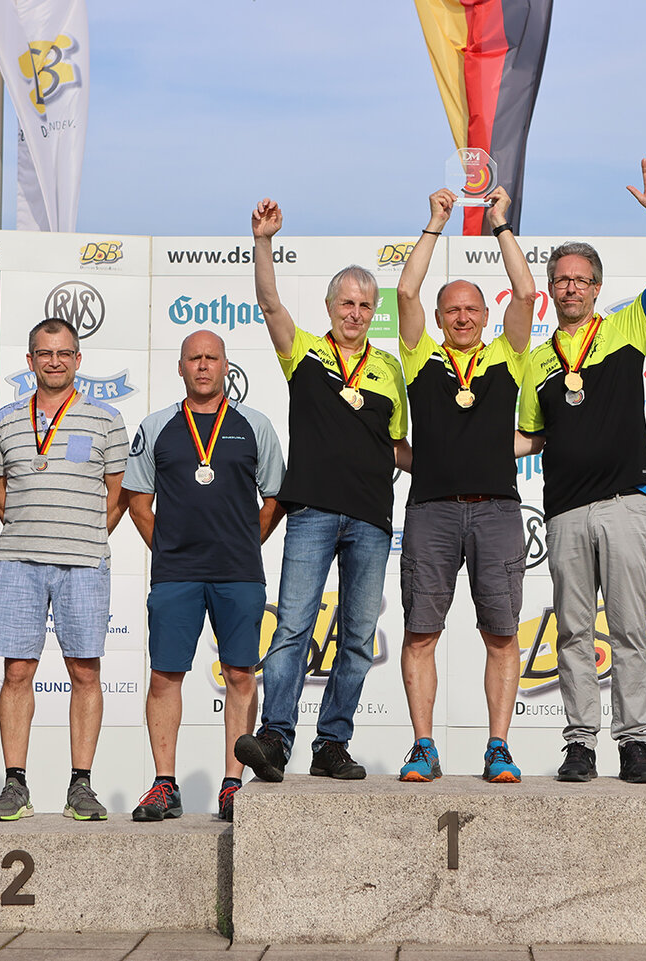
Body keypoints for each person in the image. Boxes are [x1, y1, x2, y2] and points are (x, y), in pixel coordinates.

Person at [515, 154, 646, 784]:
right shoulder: (536, 361)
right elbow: (531, 436)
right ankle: (580, 742)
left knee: (632, 630)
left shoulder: (625, 329)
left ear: (596, 288)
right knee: (574, 633)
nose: (571, 289)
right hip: (563, 511)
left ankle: (633, 743)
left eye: (581, 280)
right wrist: (463, 449)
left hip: (623, 504)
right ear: (550, 289)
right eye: (561, 280)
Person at [233, 198, 409, 781]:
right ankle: (275, 739)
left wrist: (463, 461)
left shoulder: (390, 368)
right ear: (330, 307)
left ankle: (331, 743)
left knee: (357, 638)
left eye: (365, 305)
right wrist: (264, 241)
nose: (355, 313)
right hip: (310, 512)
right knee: (291, 628)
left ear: (374, 312)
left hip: (372, 519)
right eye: (346, 303)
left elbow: (399, 446)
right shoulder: (304, 351)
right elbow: (269, 302)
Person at [394, 186, 535, 783]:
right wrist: (434, 224)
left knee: (501, 635)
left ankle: (498, 746)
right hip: (431, 510)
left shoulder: (509, 354)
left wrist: (500, 225)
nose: (462, 317)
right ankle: (423, 746)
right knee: (421, 633)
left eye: (471, 309)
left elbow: (526, 293)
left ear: (485, 314)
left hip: (497, 511)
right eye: (451, 309)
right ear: (439, 317)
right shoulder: (419, 356)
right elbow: (405, 292)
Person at [123, 331, 285, 822]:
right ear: (180, 367)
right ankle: (165, 784)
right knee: (164, 675)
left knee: (240, 674)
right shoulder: (156, 426)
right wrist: (170, 552)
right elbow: (138, 502)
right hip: (176, 575)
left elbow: (275, 498)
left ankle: (233, 784)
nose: (202, 365)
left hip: (239, 573)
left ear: (225, 366)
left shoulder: (255, 425)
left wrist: (244, 543)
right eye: (193, 358)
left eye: (211, 358)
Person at [0, 317, 128, 821]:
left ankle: (80, 785)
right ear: (30, 360)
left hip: (84, 562)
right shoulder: (5, 420)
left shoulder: (107, 419)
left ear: (78, 360)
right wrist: (35, 528)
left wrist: (83, 534)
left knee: (85, 671)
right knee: (17, 671)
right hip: (18, 562)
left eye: (64, 353)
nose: (54, 361)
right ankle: (15, 784)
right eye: (44, 353)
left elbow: (118, 496)